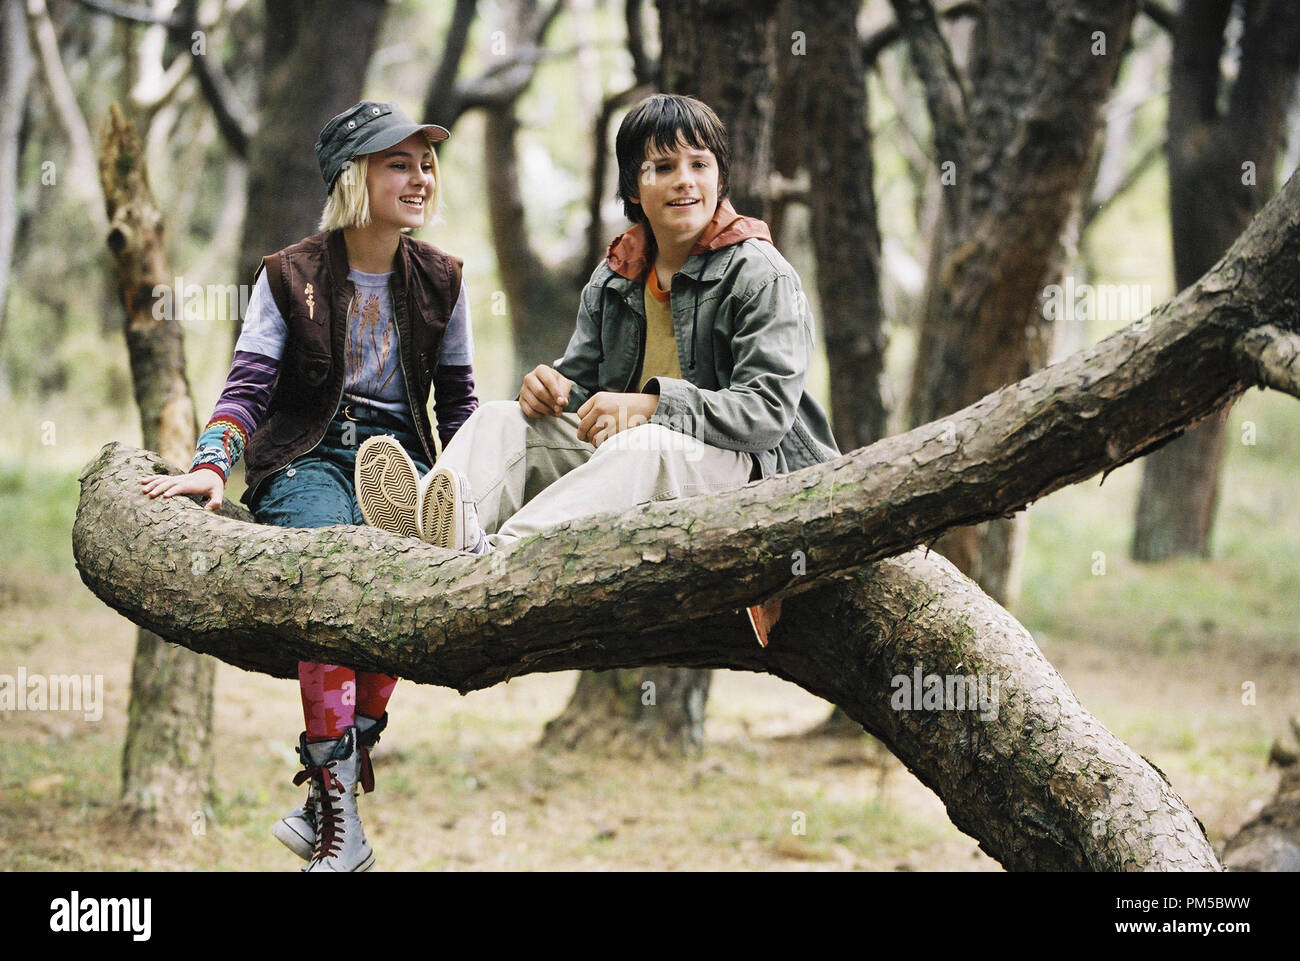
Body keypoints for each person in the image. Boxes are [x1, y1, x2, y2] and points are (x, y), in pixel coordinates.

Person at [356, 93, 838, 644]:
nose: (685, 180)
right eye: (663, 167)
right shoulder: (614, 277)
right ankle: (419, 542)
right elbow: (582, 387)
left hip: (751, 471)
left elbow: (767, 414)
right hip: (635, 463)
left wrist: (651, 406)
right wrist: (550, 388)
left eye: (699, 165)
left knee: (647, 443)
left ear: (720, 179)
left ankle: (498, 567)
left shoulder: (760, 274)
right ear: (635, 187)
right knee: (501, 419)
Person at [141, 101, 478, 871]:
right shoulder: (288, 274)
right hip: (307, 453)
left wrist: (469, 487)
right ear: (354, 176)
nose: (421, 176)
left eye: (427, 163)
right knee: (329, 586)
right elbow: (249, 384)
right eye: (400, 162)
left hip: (402, 459)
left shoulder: (444, 280)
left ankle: (325, 799)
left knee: (400, 590)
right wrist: (209, 463)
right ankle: (342, 819)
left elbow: (456, 402)